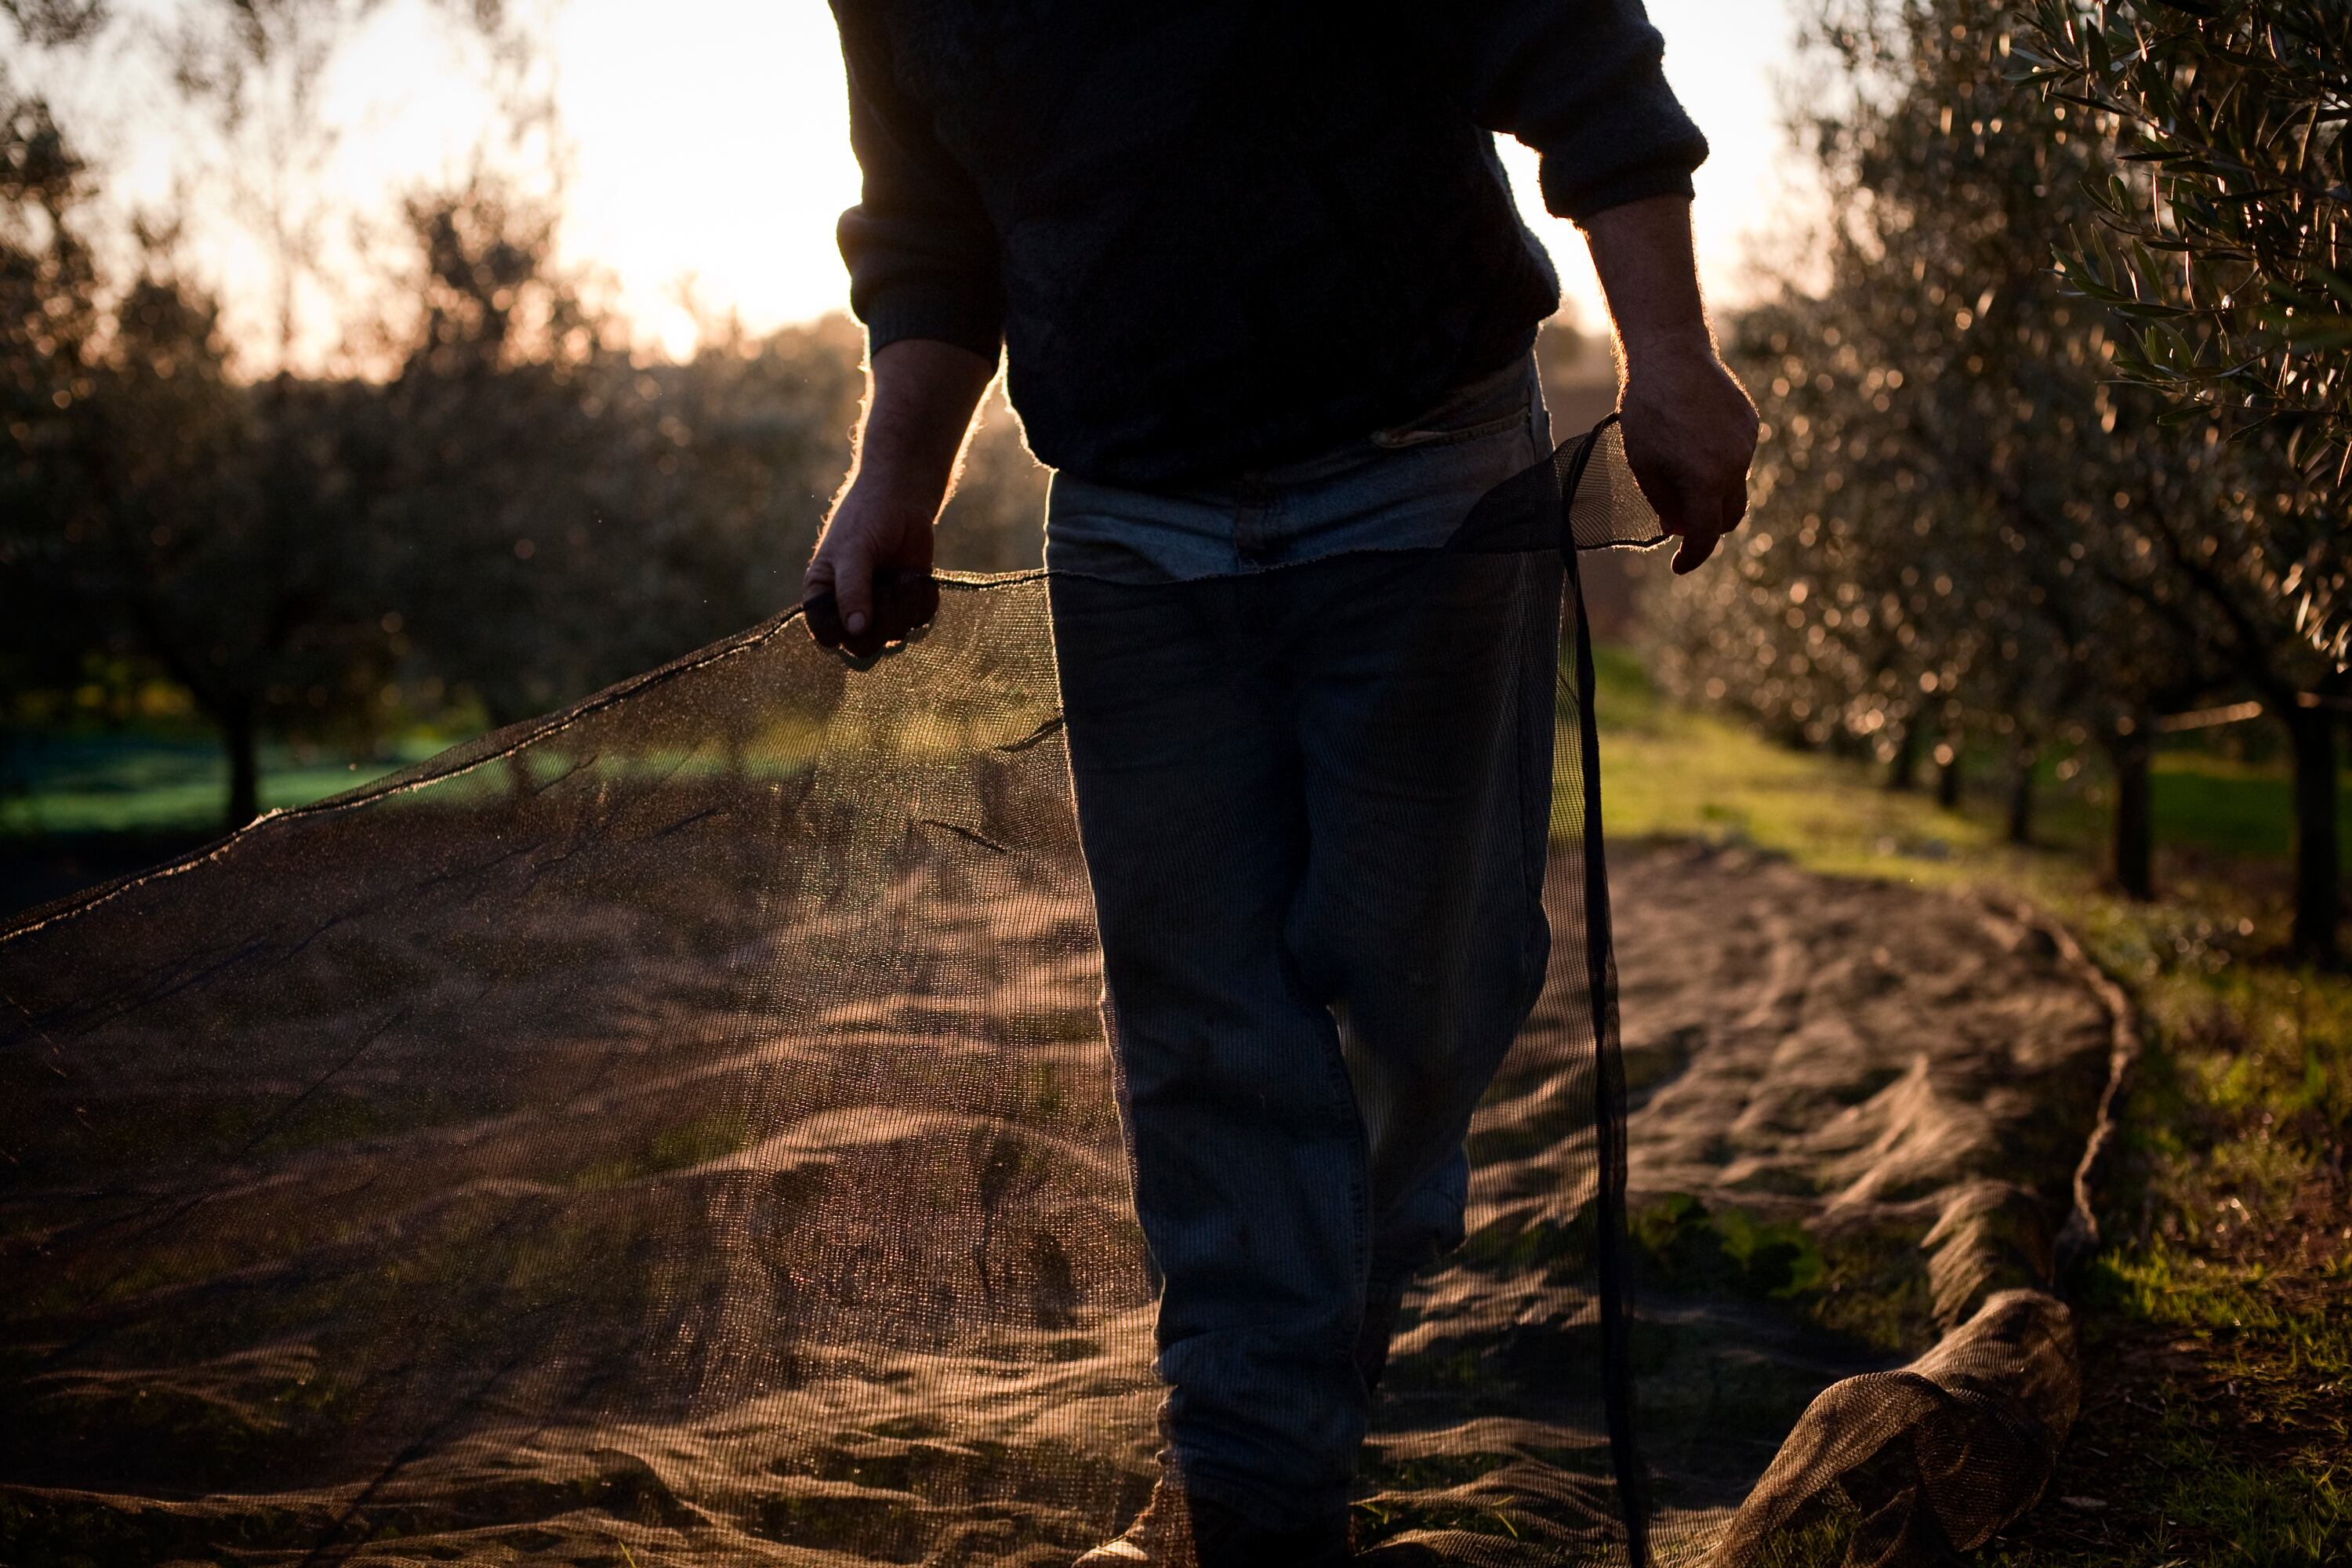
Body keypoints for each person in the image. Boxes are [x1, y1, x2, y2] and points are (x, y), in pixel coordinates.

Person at [808, 5, 1758, 1563]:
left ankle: (1302, 1365)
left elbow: (1568, 36)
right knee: (1200, 1032)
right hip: (1129, 514)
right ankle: (1250, 1482)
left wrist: (1673, 352)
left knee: (1424, 992)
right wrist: (893, 479)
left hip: (1424, 463)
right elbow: (926, 223)